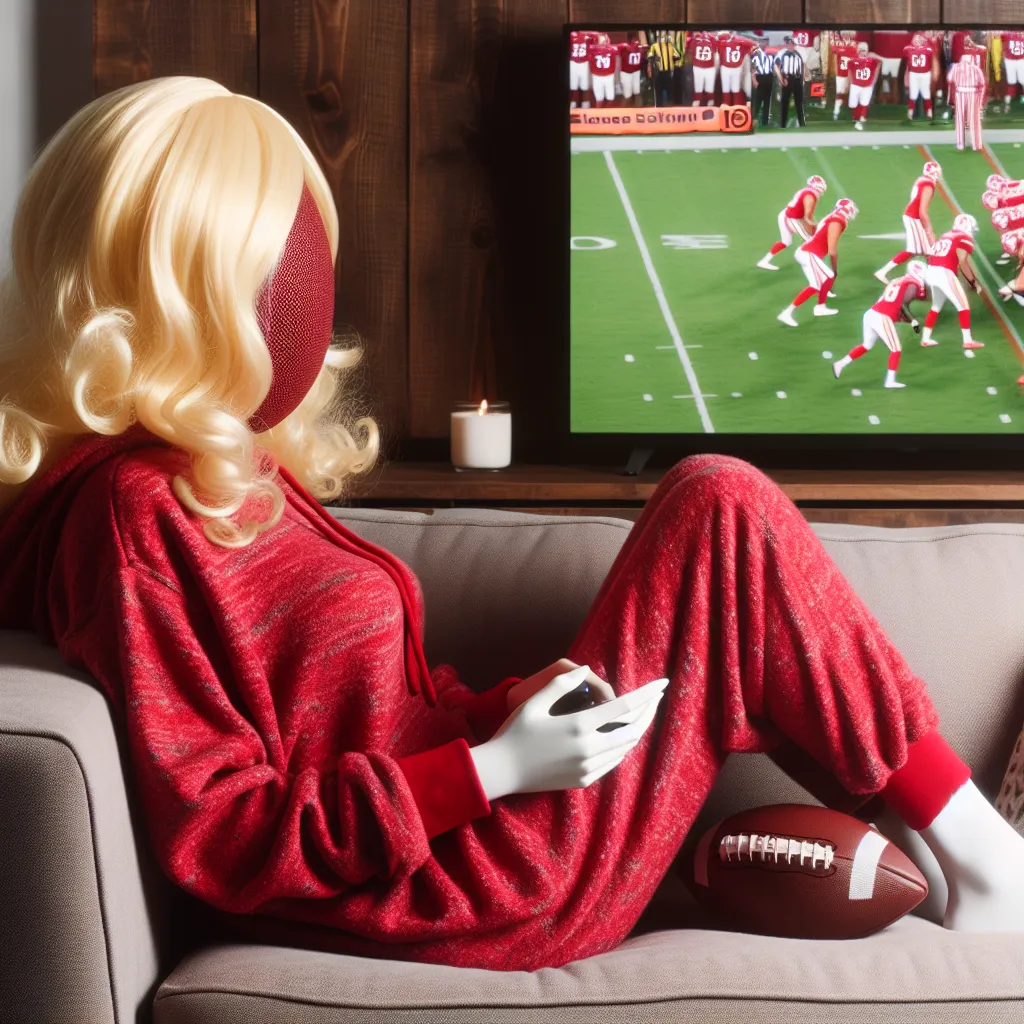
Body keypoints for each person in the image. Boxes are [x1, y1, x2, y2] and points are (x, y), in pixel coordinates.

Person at [3, 77, 1024, 976]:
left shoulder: (207, 476)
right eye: (279, 259)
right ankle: (982, 853)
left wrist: (505, 713)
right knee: (717, 504)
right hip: (457, 890)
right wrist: (493, 770)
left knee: (716, 507)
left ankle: (963, 844)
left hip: (475, 828)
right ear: (197, 283)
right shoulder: (129, 515)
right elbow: (225, 835)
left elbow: (373, 715)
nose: (303, 286)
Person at [833, 260, 928, 389]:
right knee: (896, 349)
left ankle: (840, 364)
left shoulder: (896, 280)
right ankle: (890, 381)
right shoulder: (912, 282)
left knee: (867, 345)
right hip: (881, 317)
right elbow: (905, 302)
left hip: (871, 313)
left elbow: (893, 302)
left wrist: (911, 321)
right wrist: (912, 320)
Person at [777, 197, 856, 326]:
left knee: (823, 279)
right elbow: (832, 249)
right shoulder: (838, 221)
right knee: (826, 277)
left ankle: (820, 306)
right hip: (809, 253)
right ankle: (788, 313)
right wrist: (835, 268)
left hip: (807, 252)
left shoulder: (832, 216)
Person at [920, 213, 983, 349]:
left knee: (936, 305)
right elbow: (962, 262)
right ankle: (967, 340)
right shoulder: (964, 238)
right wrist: (973, 282)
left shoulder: (946, 235)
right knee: (963, 305)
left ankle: (925, 338)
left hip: (931, 271)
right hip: (944, 272)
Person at [875, 160, 941, 283]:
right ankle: (883, 271)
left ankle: (934, 275)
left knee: (924, 249)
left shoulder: (921, 180)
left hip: (911, 216)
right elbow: (922, 211)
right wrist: (929, 229)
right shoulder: (928, 185)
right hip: (914, 217)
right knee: (921, 249)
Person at [757, 175, 827, 271]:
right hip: (791, 218)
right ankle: (812, 263)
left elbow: (803, 213)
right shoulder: (810, 195)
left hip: (786, 214)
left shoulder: (807, 191)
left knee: (786, 241)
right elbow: (807, 216)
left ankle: (764, 261)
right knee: (811, 239)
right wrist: (814, 225)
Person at [948, 55, 987, 151]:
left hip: (960, 92)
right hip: (972, 93)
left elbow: (949, 79)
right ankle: (976, 144)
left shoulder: (955, 67)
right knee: (974, 119)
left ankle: (960, 144)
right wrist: (981, 100)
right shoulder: (976, 68)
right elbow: (982, 83)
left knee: (960, 119)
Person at [848, 41, 883, 129]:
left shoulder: (872, 60)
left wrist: (874, 79)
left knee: (864, 102)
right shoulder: (853, 60)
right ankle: (856, 117)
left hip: (867, 84)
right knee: (852, 104)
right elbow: (849, 72)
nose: (862, 52)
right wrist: (849, 83)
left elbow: (881, 61)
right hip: (855, 84)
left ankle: (861, 117)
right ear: (858, 50)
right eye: (861, 50)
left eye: (864, 50)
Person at [717, 30, 753, 106]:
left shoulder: (740, 41)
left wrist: (739, 40)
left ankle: (736, 106)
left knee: (735, 88)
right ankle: (727, 106)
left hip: (736, 67)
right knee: (726, 88)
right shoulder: (722, 40)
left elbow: (751, 44)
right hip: (726, 67)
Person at [904, 32, 936, 120]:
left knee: (926, 93)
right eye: (916, 39)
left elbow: (931, 50)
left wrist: (924, 42)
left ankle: (929, 111)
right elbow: (905, 50)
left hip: (925, 73)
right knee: (913, 94)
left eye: (919, 39)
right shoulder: (909, 48)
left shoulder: (928, 49)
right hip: (914, 73)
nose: (917, 41)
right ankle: (910, 112)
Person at [775, 36, 805, 127]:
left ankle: (802, 123)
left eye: (791, 43)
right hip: (787, 78)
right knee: (785, 102)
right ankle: (783, 123)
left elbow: (802, 66)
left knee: (799, 102)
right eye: (787, 42)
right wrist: (781, 79)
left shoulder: (798, 54)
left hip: (797, 78)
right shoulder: (782, 53)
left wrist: (802, 79)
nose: (789, 44)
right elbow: (776, 66)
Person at [649, 30, 682, 108]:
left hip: (667, 71)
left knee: (669, 89)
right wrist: (654, 59)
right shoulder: (654, 46)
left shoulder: (670, 46)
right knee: (659, 90)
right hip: (658, 71)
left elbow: (677, 56)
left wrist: (672, 59)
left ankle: (669, 105)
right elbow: (650, 56)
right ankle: (660, 106)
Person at [831, 33, 858, 120]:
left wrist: (842, 50)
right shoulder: (839, 43)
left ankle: (853, 114)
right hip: (841, 73)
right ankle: (836, 112)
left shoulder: (855, 43)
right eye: (843, 34)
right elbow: (834, 49)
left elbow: (855, 53)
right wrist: (847, 50)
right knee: (839, 92)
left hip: (851, 73)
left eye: (846, 34)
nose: (845, 36)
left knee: (852, 93)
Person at [687, 29, 717, 106]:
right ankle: (705, 101)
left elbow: (690, 52)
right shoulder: (711, 40)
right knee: (703, 86)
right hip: (702, 66)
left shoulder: (695, 41)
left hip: (703, 66)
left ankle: (705, 101)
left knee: (703, 86)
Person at [751, 43, 776, 126]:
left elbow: (774, 68)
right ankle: (754, 119)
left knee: (767, 101)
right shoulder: (756, 56)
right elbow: (753, 69)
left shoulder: (771, 55)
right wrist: (754, 80)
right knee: (758, 100)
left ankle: (765, 121)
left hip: (769, 77)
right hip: (760, 78)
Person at [1002, 29, 1024, 110]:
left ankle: (1007, 105)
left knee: (1013, 83)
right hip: (1014, 60)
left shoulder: (1007, 33)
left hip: (1013, 60)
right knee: (1014, 82)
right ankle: (1007, 104)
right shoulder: (1008, 33)